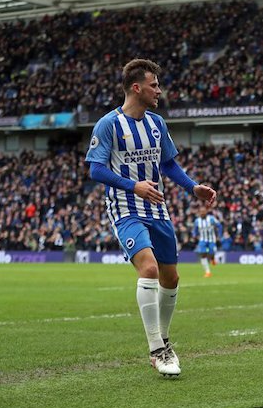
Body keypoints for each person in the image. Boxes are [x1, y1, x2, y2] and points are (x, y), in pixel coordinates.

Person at [85, 59, 216, 378]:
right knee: (149, 268)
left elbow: (168, 164)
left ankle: (165, 338)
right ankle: (157, 348)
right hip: (126, 207)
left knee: (171, 279)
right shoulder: (109, 124)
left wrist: (192, 187)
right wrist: (134, 186)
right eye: (154, 85)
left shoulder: (157, 123)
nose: (159, 90)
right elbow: (96, 169)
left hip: (158, 208)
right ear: (136, 87)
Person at [193, 206, 222, 277]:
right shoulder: (197, 221)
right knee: (203, 254)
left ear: (206, 212)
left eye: (203, 211)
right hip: (202, 239)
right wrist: (194, 235)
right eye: (201, 212)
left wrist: (219, 235)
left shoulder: (211, 219)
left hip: (212, 239)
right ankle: (208, 272)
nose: (202, 213)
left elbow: (219, 226)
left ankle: (212, 258)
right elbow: (195, 229)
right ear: (199, 213)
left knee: (211, 252)